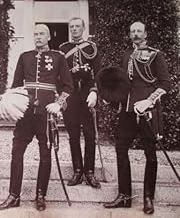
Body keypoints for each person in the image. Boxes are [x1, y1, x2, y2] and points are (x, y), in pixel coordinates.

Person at [0, 24, 73, 211]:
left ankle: (41, 195)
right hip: (25, 112)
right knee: (17, 152)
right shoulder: (25, 57)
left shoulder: (59, 57)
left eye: (42, 34)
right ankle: (13, 195)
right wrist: (9, 102)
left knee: (45, 154)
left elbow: (68, 87)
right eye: (36, 34)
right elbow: (15, 86)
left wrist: (59, 103)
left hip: (46, 113)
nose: (38, 37)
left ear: (48, 37)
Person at [103, 21, 171, 215]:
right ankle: (124, 196)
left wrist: (148, 101)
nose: (135, 34)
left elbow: (165, 84)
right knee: (121, 149)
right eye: (132, 31)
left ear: (145, 33)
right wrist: (112, 98)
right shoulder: (126, 55)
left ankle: (149, 197)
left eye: (139, 31)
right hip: (127, 111)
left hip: (147, 111)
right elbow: (125, 84)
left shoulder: (156, 55)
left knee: (150, 153)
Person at [59, 17, 102, 188]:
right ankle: (77, 171)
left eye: (78, 26)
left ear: (83, 28)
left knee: (90, 134)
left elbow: (99, 73)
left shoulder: (92, 48)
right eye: (72, 26)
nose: (75, 29)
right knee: (73, 134)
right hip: (71, 95)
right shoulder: (63, 49)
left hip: (87, 93)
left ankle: (89, 172)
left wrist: (94, 92)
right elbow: (59, 75)